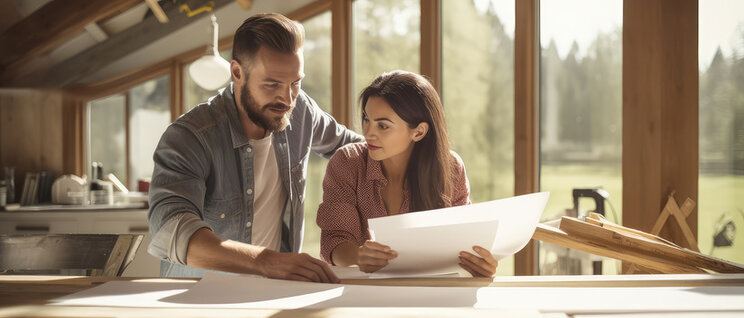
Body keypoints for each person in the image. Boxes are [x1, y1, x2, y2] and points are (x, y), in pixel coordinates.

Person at [148, 13, 363, 282]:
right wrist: (265, 261)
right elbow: (172, 232)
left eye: (295, 83)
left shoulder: (301, 111)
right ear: (237, 72)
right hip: (199, 297)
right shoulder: (190, 137)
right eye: (272, 84)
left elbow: (359, 150)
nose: (287, 98)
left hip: (274, 293)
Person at [317, 70, 498, 277]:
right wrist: (358, 256)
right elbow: (334, 241)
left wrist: (481, 265)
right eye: (367, 119)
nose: (368, 133)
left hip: (431, 291)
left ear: (418, 132)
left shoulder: (451, 168)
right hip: (364, 290)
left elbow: (463, 242)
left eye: (383, 125)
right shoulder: (348, 162)